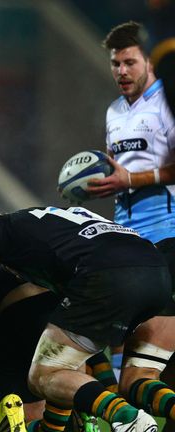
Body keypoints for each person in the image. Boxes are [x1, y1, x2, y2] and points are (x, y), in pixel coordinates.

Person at [0, 206, 170, 432]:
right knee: (124, 376)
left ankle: (126, 416)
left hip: (99, 282)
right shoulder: (70, 219)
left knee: (43, 378)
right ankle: (101, 415)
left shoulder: (6, 228)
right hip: (158, 281)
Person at [85, 21, 175, 423]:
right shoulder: (114, 111)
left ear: (149, 63)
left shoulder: (167, 104)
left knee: (157, 339)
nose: (121, 71)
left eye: (130, 62)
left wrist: (132, 179)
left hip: (169, 234)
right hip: (130, 238)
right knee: (133, 337)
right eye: (115, 63)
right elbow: (120, 170)